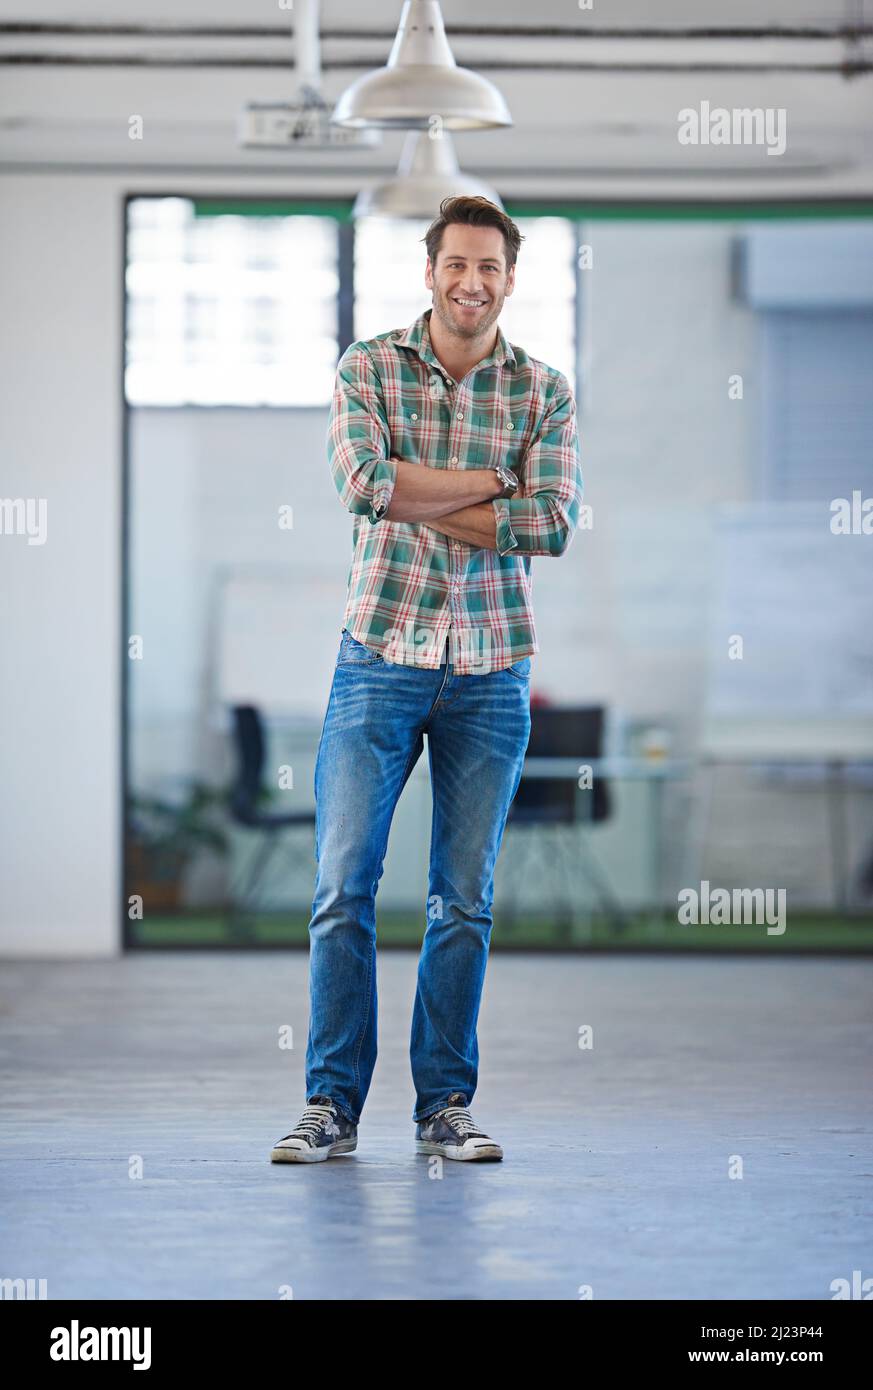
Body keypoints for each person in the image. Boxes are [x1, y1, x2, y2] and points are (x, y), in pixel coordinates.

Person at [271, 195, 583, 1164]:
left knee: (463, 898)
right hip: (378, 659)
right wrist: (495, 481)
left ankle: (444, 1105)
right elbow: (366, 482)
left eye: (490, 267)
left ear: (510, 279)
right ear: (431, 270)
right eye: (457, 264)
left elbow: (553, 524)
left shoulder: (543, 390)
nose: (472, 282)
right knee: (340, 889)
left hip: (492, 669)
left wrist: (422, 488)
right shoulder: (370, 366)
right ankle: (331, 1105)